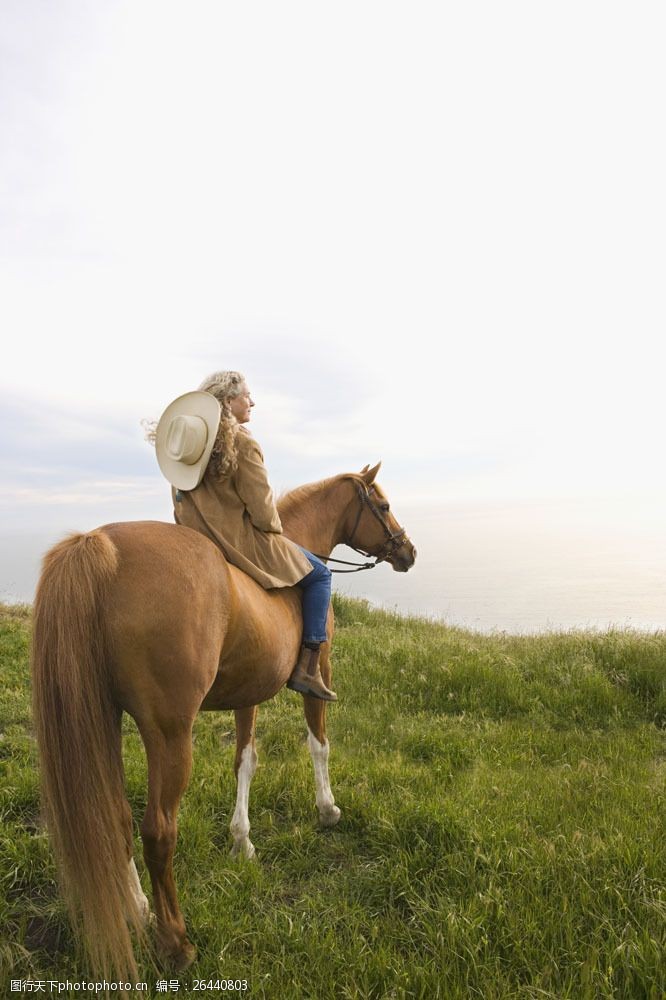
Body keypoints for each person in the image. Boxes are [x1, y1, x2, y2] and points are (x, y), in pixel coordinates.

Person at [154, 370, 337, 702]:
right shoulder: (243, 443)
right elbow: (265, 513)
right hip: (243, 545)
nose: (252, 401)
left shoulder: (187, 446)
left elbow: (179, 508)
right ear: (228, 401)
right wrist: (275, 532)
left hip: (197, 543)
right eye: (246, 396)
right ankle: (308, 666)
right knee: (321, 575)